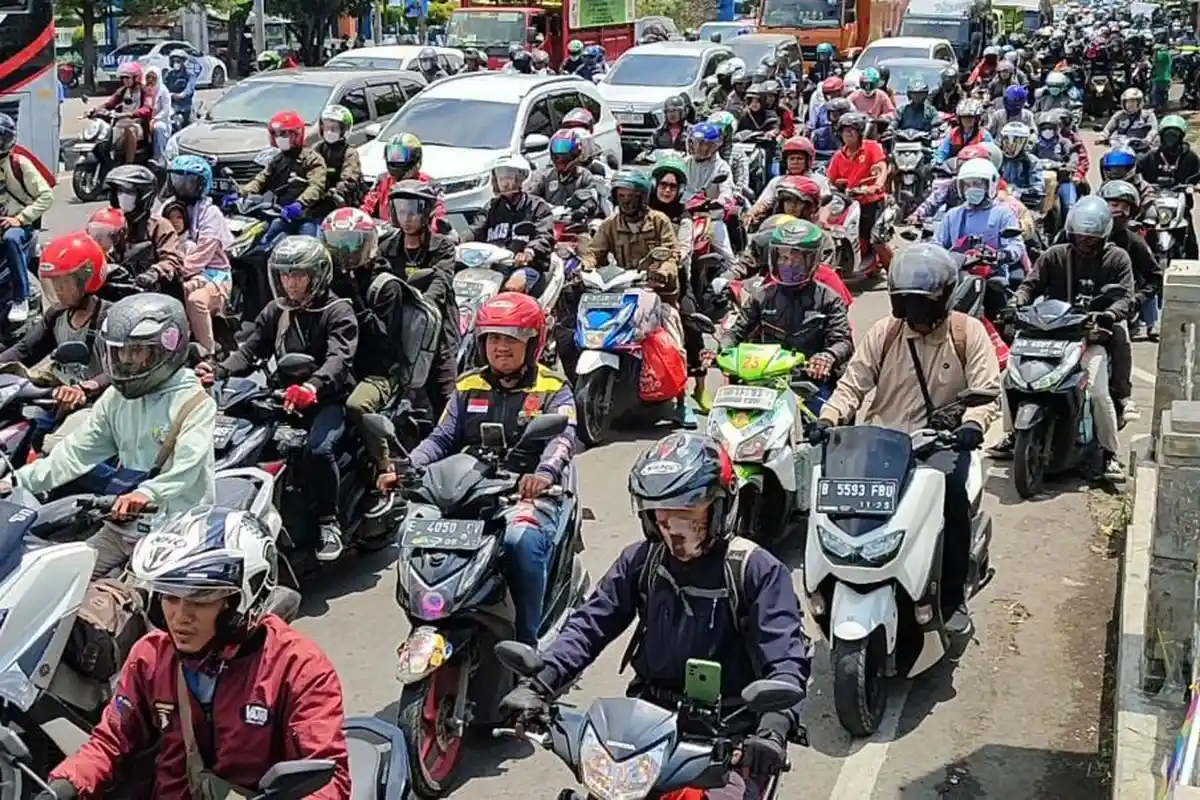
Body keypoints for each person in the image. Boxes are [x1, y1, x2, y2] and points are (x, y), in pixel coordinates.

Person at [498, 432, 810, 800]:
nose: (673, 528)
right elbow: (589, 625)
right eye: (662, 514)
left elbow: (786, 661)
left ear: (720, 506)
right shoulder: (641, 561)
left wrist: (772, 727)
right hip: (644, 727)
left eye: (687, 513)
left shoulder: (755, 570)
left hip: (730, 735)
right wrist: (539, 682)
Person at [39, 507, 351, 800]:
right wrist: (63, 786)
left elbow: (329, 778)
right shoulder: (150, 657)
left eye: (200, 601)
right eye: (170, 598)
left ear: (241, 601)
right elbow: (110, 742)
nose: (179, 617)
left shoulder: (298, 667)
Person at [814, 244, 1000, 638]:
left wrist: (972, 424)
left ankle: (952, 598)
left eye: (923, 303)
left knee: (950, 500)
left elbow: (987, 391)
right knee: (837, 502)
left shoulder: (968, 333)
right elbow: (852, 384)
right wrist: (828, 417)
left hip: (943, 445)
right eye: (907, 303)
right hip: (882, 442)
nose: (915, 313)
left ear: (944, 298)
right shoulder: (884, 333)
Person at [383, 293, 576, 646]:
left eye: (511, 338)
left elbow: (561, 439)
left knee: (521, 540)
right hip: (468, 489)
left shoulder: (553, 388)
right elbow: (441, 438)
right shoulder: (467, 385)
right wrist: (407, 466)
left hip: (528, 492)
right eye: (493, 338)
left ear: (533, 342)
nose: (501, 347)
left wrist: (543, 474)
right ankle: (430, 617)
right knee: (411, 531)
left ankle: (527, 640)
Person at [12, 292, 216, 576]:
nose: (126, 361)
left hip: (176, 529)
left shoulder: (194, 402)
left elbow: (188, 468)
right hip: (122, 526)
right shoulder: (116, 399)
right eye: (120, 352)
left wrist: (146, 493)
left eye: (137, 351)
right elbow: (75, 453)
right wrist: (16, 482)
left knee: (139, 609)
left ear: (166, 349)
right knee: (58, 585)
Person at [198, 236, 358, 561]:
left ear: (317, 275)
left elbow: (339, 359)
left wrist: (312, 386)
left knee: (318, 450)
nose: (290, 282)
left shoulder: (337, 311)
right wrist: (219, 371)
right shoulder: (276, 310)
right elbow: (250, 349)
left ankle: (329, 522)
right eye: (285, 275)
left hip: (328, 399)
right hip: (280, 396)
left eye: (298, 275)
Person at [992, 198, 1133, 481]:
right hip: (1048, 333)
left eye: (1092, 238)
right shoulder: (1055, 256)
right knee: (1011, 377)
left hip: (1090, 337)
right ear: (1071, 232)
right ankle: (1011, 435)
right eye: (1081, 236)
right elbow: (1030, 285)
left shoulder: (1117, 259)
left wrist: (1108, 314)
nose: (1085, 242)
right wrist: (1016, 302)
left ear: (1104, 236)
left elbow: (1126, 298)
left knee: (1096, 391)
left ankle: (1108, 454)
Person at [323, 207, 440, 507]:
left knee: (356, 405)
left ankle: (384, 465)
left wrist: (355, 300)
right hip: (338, 360)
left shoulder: (385, 285)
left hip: (380, 370)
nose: (343, 253)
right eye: (336, 245)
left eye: (350, 245)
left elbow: (383, 341)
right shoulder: (326, 279)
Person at [719, 219, 853, 411]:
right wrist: (721, 349)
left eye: (797, 259)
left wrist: (827, 356)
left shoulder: (829, 298)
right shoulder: (762, 295)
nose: (788, 264)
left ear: (812, 261)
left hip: (810, 381)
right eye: (783, 258)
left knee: (825, 427)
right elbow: (736, 332)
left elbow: (843, 341)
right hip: (764, 381)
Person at [0, 232, 111, 412]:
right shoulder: (57, 314)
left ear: (87, 278)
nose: (58, 290)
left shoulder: (109, 319)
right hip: (59, 394)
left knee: (56, 440)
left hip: (96, 404)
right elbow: (25, 350)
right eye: (54, 282)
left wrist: (86, 387)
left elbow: (119, 372)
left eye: (65, 282)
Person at [378, 181, 460, 417]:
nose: (407, 218)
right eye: (401, 211)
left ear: (426, 212)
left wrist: (423, 305)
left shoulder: (443, 246)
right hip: (397, 330)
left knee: (446, 396)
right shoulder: (386, 248)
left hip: (437, 330)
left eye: (413, 211)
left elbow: (440, 282)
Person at [162, 155, 233, 356]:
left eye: (189, 182)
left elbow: (203, 253)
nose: (183, 187)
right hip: (174, 269)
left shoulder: (211, 213)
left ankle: (206, 353)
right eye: (178, 180)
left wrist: (176, 270)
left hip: (213, 274)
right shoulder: (167, 206)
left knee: (195, 300)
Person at [227, 110, 326, 250]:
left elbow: (316, 186)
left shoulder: (312, 159)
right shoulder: (277, 160)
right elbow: (262, 179)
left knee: (307, 248)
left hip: (307, 215)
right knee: (263, 241)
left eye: (285, 134)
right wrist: (240, 194)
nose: (280, 137)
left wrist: (300, 204)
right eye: (277, 134)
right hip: (282, 214)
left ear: (296, 134)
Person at [462, 157, 554, 295]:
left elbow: (544, 235)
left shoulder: (537, 206)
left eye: (509, 177)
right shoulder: (491, 207)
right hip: (493, 267)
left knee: (512, 287)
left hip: (525, 267)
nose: (504, 183)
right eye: (500, 177)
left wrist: (529, 251)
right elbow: (476, 229)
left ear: (522, 178)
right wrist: (458, 241)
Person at [934, 158, 1025, 296]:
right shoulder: (953, 215)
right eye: (967, 185)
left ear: (990, 185)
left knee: (999, 307)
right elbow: (937, 243)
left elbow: (1016, 246)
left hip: (992, 276)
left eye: (977, 184)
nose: (971, 189)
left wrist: (1002, 255)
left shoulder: (1004, 214)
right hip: (956, 276)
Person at [0, 112, 52, 325]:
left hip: (21, 227)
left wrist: (20, 219)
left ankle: (20, 297)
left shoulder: (18, 163)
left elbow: (46, 195)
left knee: (11, 238)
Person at [825, 112, 892, 270]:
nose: (847, 134)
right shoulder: (838, 156)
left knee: (876, 240)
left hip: (873, 202)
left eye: (851, 130)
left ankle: (894, 272)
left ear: (859, 132)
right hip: (849, 204)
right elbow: (829, 180)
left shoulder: (872, 147)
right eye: (844, 131)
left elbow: (881, 168)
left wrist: (875, 186)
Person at [103, 165, 185, 292]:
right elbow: (105, 254)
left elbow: (173, 259)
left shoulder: (160, 226)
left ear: (144, 194)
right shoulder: (117, 225)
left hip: (156, 295)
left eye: (128, 192)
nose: (121, 197)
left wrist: (154, 273)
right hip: (123, 291)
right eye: (119, 192)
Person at [1101, 179, 1160, 343]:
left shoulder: (1135, 242)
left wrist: (1136, 300)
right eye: (1112, 205)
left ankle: (1152, 322)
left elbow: (1155, 277)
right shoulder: (1074, 235)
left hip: (1118, 308)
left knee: (1120, 339)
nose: (1117, 212)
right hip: (1077, 305)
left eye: (1124, 208)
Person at [1138, 115, 1200, 258]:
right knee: (1141, 226)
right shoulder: (1152, 156)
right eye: (1167, 134)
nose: (1171, 138)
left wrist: (1193, 186)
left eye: (1175, 134)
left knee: (1188, 231)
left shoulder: (1190, 157)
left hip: (1180, 201)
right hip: (1153, 200)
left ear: (1182, 136)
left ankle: (1192, 262)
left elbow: (1197, 174)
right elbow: (1136, 170)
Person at [360, 133, 446, 227]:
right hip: (386, 235)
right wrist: (361, 220)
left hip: (418, 235)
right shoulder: (382, 180)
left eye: (400, 156)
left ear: (415, 157)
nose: (395, 160)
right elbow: (367, 206)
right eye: (392, 155)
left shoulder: (430, 185)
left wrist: (435, 227)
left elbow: (438, 214)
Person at [524, 129, 608, 215]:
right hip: (549, 222)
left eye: (563, 149)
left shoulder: (585, 176)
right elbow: (530, 197)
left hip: (575, 223)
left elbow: (592, 200)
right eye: (557, 148)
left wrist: (583, 209)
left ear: (576, 152)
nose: (560, 156)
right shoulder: (546, 176)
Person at [745, 135, 822, 227]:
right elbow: (764, 201)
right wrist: (751, 213)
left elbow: (826, 204)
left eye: (799, 158)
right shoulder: (777, 181)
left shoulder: (818, 180)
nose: (795, 162)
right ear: (785, 161)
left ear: (808, 161)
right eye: (791, 159)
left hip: (811, 226)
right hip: (779, 226)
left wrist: (822, 220)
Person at [309, 104, 363, 221]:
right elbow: (308, 168)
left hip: (341, 205)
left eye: (334, 128)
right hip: (316, 201)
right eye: (326, 128)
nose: (329, 132)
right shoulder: (317, 148)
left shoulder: (349, 153)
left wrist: (333, 192)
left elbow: (349, 180)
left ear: (344, 130)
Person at [93, 61, 153, 165]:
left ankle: (128, 163)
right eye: (123, 78)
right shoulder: (122, 90)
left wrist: (130, 114)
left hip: (137, 124)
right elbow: (109, 103)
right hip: (119, 123)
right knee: (103, 131)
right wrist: (95, 110)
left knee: (129, 130)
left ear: (136, 78)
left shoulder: (147, 91)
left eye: (127, 78)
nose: (124, 81)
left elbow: (147, 108)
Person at [997, 121, 1046, 210]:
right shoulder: (997, 159)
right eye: (1006, 140)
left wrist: (1015, 192)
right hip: (997, 204)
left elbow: (1038, 189)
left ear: (1025, 142)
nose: (1010, 145)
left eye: (1017, 141)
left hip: (1024, 206)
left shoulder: (1032, 161)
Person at [934, 98, 992, 166]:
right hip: (956, 168)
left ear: (976, 118)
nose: (967, 120)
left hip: (977, 167)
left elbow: (991, 154)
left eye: (971, 117)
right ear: (959, 118)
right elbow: (942, 152)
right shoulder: (952, 134)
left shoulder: (984, 135)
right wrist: (937, 163)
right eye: (964, 117)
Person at [162, 52, 198, 128]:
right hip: (172, 105)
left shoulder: (190, 75)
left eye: (178, 61)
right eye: (174, 61)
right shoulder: (169, 74)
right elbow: (163, 87)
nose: (176, 63)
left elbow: (190, 89)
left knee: (189, 125)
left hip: (186, 106)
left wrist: (182, 94)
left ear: (183, 62)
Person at [143, 67, 172, 160]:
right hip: (144, 118)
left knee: (158, 128)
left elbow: (166, 110)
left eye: (153, 78)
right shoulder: (143, 89)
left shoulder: (163, 91)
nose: (150, 80)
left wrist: (154, 119)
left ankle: (159, 158)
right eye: (148, 77)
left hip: (160, 120)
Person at [1151, 44, 1172, 110]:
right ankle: (1163, 108)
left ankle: (1160, 108)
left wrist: (1155, 51)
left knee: (1156, 94)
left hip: (1161, 78)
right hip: (1165, 78)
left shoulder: (1163, 55)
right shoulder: (1167, 55)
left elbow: (1155, 59)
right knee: (1163, 94)